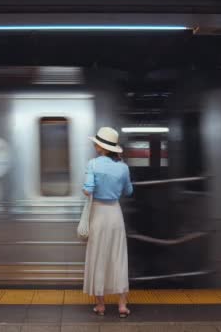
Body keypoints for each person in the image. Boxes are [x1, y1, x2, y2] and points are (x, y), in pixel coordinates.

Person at [82, 127, 133, 318]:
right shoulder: (123, 167)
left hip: (98, 214)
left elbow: (88, 189)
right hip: (115, 214)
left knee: (98, 256)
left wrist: (91, 187)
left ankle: (101, 305)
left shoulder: (93, 164)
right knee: (118, 256)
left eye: (96, 143)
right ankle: (121, 305)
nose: (95, 145)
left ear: (101, 148)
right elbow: (128, 191)